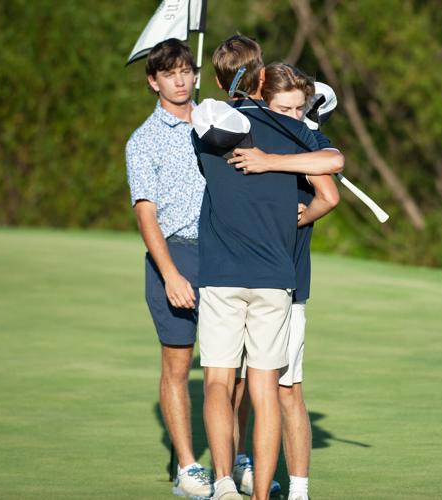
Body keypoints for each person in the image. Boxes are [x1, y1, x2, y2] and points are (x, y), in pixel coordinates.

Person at [192, 35, 342, 500]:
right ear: (263, 79)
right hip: (276, 279)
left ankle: (221, 484)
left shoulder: (206, 126)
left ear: (220, 81)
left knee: (218, 381)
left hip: (220, 273)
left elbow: (205, 120)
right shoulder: (293, 129)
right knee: (265, 390)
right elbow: (333, 164)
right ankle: (261, 495)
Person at [125, 38, 212, 500]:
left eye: (185, 70)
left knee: (229, 368)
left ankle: (235, 461)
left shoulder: (217, 122)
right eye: (169, 73)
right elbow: (146, 215)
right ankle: (187, 467)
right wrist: (171, 274)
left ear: (194, 74)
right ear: (153, 81)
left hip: (225, 254)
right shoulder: (143, 141)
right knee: (178, 365)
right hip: (175, 256)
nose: (179, 80)